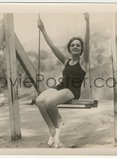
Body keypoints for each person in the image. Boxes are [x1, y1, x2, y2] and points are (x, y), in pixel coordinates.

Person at [36, 18, 88, 148]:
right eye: (72, 45)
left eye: (78, 45)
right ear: (69, 49)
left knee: (49, 102)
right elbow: (52, 46)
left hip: (72, 91)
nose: (75, 47)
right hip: (60, 87)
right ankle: (53, 130)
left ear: (81, 49)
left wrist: (87, 22)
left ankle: (58, 124)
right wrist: (43, 29)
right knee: (39, 101)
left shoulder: (83, 62)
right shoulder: (66, 61)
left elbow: (88, 43)